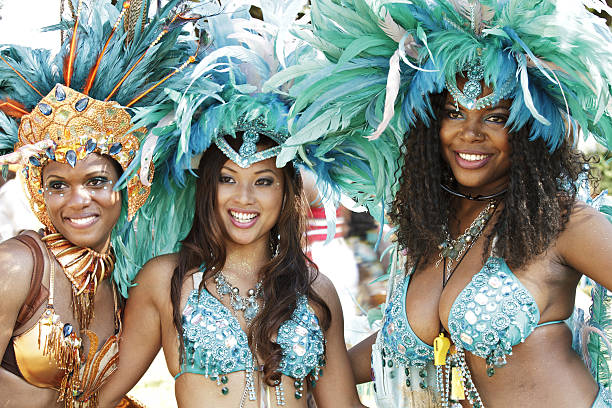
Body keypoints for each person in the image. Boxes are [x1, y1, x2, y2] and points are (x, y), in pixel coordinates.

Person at [269, 0, 612, 407]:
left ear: (527, 128)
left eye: (495, 117)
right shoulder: (432, 224)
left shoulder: (558, 219)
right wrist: (315, 370)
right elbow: (399, 344)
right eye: (454, 113)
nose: (470, 133)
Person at [98, 3, 365, 407]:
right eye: (227, 179)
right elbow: (102, 394)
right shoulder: (164, 280)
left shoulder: (315, 291)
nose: (244, 198)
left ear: (285, 192)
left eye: (263, 181)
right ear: (208, 187)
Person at [0, 1, 199, 406]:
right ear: (40, 192)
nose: (77, 201)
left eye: (96, 181)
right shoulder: (18, 267)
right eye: (58, 185)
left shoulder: (122, 276)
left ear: (127, 187)